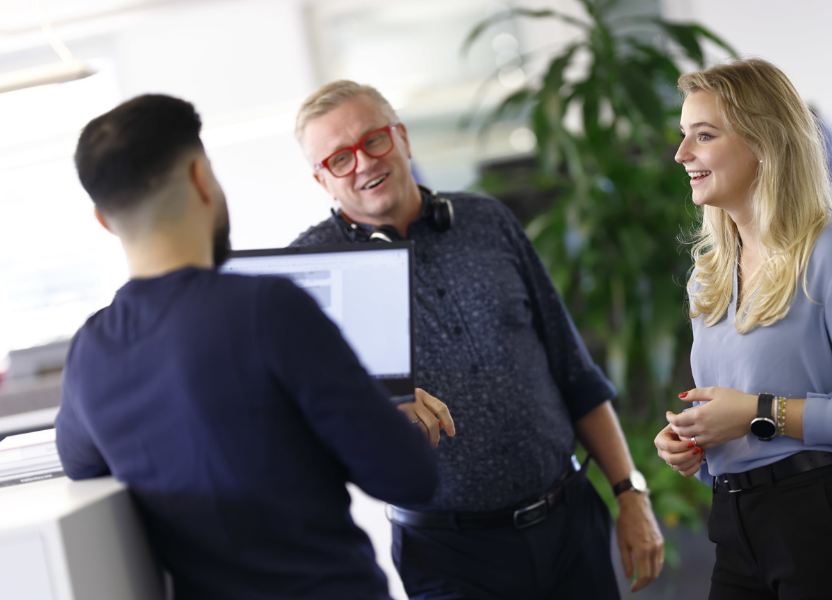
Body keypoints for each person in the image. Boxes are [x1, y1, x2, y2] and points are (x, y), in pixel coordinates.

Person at [55, 94, 451, 600]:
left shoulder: (89, 354)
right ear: (202, 179)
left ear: (104, 220)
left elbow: (84, 468)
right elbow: (409, 477)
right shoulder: (271, 309)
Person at [290, 81, 664, 599]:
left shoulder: (487, 220)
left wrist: (631, 494)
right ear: (321, 179)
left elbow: (573, 370)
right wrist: (379, 412)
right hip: (449, 558)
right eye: (339, 159)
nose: (363, 164)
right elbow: (306, 434)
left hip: (570, 526)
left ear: (401, 138)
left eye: (373, 140)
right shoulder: (311, 277)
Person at [654, 58, 832, 599]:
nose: (682, 155)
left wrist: (756, 413)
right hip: (737, 523)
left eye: (703, 136)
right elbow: (734, 404)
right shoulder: (708, 275)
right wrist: (697, 438)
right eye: (684, 136)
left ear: (764, 142)